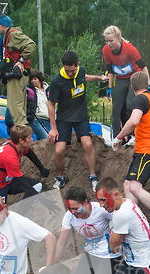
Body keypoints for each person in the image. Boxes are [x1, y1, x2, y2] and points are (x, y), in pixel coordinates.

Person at [47, 51, 108, 192]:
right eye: (67, 71)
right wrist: (53, 127)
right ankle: (60, 178)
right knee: (59, 150)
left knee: (87, 144)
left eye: (72, 71)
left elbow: (84, 78)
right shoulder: (57, 81)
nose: (70, 74)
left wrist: (100, 78)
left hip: (81, 117)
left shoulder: (81, 71)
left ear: (77, 65)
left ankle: (93, 177)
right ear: (63, 67)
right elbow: (51, 104)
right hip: (63, 119)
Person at [112, 72, 150, 221]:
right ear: (147, 85)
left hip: (146, 149)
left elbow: (134, 121)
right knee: (128, 184)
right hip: (149, 148)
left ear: (132, 86)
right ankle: (131, 216)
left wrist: (119, 137)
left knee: (135, 187)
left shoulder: (139, 99)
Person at [54, 185, 121, 274]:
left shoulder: (101, 210)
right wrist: (50, 263)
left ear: (85, 202)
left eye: (75, 208)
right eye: (69, 208)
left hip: (109, 256)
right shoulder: (69, 216)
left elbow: (120, 220)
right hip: (90, 254)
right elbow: (61, 242)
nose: (73, 212)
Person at [102, 25, 150, 140]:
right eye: (106, 41)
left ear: (119, 39)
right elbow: (110, 70)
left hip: (133, 78)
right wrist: (109, 87)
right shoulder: (106, 51)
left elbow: (144, 67)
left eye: (111, 41)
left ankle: (135, 136)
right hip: (120, 79)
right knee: (115, 110)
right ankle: (116, 138)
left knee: (130, 105)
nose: (109, 44)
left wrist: (149, 84)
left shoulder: (129, 49)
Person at [0, 124, 49, 203]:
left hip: (8, 181)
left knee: (37, 186)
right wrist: (45, 201)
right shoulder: (10, 157)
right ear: (21, 140)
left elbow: (29, 152)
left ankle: (20, 214)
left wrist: (41, 168)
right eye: (29, 137)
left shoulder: (16, 146)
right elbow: (22, 183)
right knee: (0, 213)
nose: (32, 139)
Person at [0, 14, 35, 126]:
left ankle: (21, 130)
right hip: (16, 74)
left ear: (3, 25)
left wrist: (21, 61)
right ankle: (22, 130)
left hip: (18, 74)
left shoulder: (13, 34)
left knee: (14, 103)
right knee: (19, 103)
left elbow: (31, 45)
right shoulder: (9, 35)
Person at [27, 69, 50, 140]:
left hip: (47, 118)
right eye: (31, 79)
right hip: (35, 118)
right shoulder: (29, 91)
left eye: (35, 79)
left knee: (42, 143)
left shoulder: (48, 90)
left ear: (40, 79)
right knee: (47, 139)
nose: (33, 81)